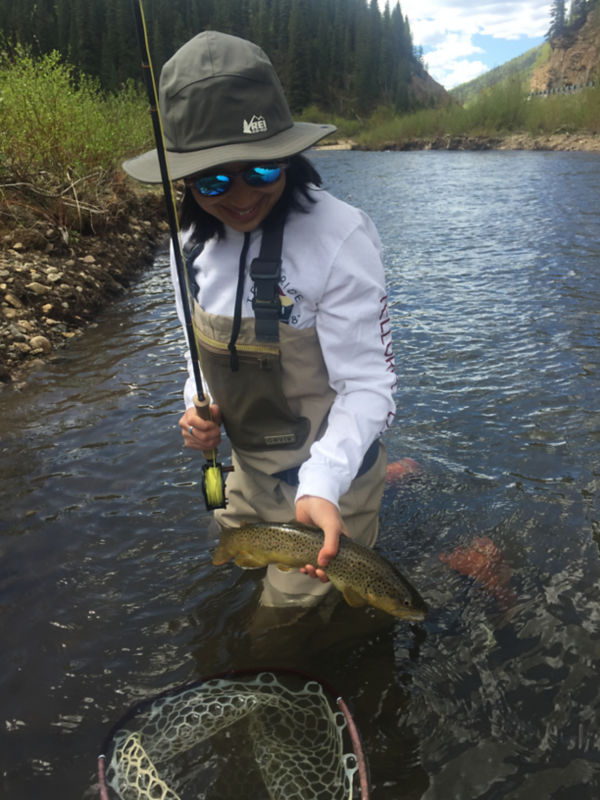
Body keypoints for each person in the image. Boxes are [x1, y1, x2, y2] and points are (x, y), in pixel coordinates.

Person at [123, 31, 396, 609]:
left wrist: (321, 485)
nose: (240, 196)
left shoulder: (340, 236)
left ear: (289, 159)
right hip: (247, 473)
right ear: (186, 181)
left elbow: (369, 388)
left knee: (282, 633)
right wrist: (196, 403)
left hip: (326, 489)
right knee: (227, 576)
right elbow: (195, 355)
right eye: (214, 180)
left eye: (262, 172)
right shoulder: (186, 246)